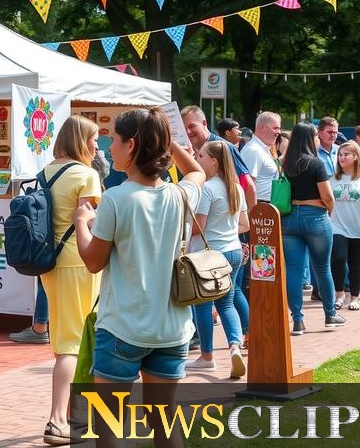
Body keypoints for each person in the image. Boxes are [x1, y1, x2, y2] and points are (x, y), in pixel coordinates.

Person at [71, 108, 204, 448]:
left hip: (122, 328)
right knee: (164, 424)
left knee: (110, 427)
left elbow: (93, 261)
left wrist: (81, 223)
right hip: (172, 330)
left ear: (131, 146)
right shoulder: (180, 194)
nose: (108, 146)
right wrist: (167, 142)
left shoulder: (116, 199)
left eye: (113, 140)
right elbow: (197, 170)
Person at [35, 116, 103, 445]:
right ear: (80, 140)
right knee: (73, 344)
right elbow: (89, 221)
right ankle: (59, 420)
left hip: (50, 263)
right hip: (79, 261)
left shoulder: (45, 172)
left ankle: (69, 416)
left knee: (67, 339)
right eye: (94, 139)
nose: (97, 145)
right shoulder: (87, 175)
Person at [186, 142, 249, 379]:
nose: (197, 158)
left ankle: (207, 356)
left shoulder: (208, 189)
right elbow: (245, 223)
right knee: (227, 302)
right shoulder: (235, 187)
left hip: (209, 254)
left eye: (201, 155)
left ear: (214, 161)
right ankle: (234, 346)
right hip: (233, 251)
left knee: (202, 304)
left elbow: (198, 228)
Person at [281, 122, 344, 335]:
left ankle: (297, 320)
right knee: (322, 268)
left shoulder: (284, 163)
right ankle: (329, 314)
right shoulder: (315, 164)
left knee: (294, 270)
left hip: (289, 219)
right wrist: (330, 209)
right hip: (315, 217)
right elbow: (327, 196)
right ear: (310, 138)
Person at [181, 105, 256, 210]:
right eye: (184, 128)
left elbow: (248, 185)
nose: (188, 132)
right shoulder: (185, 151)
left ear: (204, 123)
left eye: (192, 126)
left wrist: (250, 218)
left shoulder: (223, 147)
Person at [329, 142, 360, 311]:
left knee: (355, 263)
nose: (341, 157)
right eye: (340, 154)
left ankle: (354, 298)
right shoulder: (332, 179)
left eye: (346, 154)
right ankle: (339, 295)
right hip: (337, 226)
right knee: (338, 258)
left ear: (355, 157)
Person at [241, 111, 282, 204]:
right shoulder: (254, 150)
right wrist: (253, 212)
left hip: (265, 205)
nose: (279, 132)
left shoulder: (262, 149)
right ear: (262, 127)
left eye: (279, 128)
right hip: (259, 207)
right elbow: (248, 184)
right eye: (275, 128)